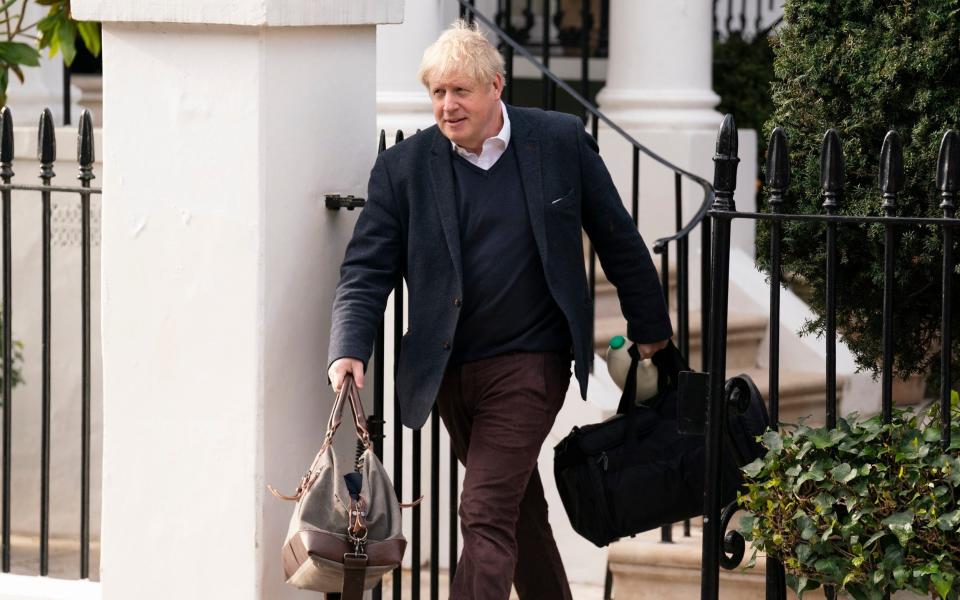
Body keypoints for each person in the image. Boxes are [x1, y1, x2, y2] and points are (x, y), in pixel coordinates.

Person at [327, 20, 671, 600]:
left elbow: (616, 236)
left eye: (460, 90)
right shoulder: (404, 168)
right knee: (518, 513)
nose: (447, 105)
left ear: (496, 86)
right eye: (437, 92)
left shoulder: (558, 141)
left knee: (483, 509)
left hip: (530, 364)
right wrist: (349, 347)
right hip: (449, 373)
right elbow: (366, 269)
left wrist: (650, 332)